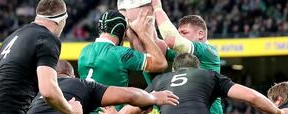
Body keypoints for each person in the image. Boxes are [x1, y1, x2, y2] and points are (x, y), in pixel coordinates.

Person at [0, 0, 82, 114]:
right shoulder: (47, 38)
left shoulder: (12, 37)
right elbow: (48, 90)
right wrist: (72, 111)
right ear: (61, 20)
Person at [117, 54, 288, 114]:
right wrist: (279, 111)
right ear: (197, 68)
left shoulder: (159, 80)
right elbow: (251, 96)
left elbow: (132, 108)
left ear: (175, 70)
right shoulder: (209, 75)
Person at [150, 0, 221, 114]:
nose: (180, 36)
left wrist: (157, 7)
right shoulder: (183, 54)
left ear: (200, 34)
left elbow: (172, 40)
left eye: (184, 33)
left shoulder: (208, 52)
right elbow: (158, 46)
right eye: (179, 33)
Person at [27, 60, 178, 114]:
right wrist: (154, 97)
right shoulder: (80, 84)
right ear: (72, 75)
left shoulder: (33, 96)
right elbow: (129, 95)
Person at [78, 10, 167, 88]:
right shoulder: (122, 54)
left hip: (85, 106)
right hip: (112, 107)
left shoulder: (84, 51)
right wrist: (142, 33)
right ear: (123, 34)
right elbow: (161, 63)